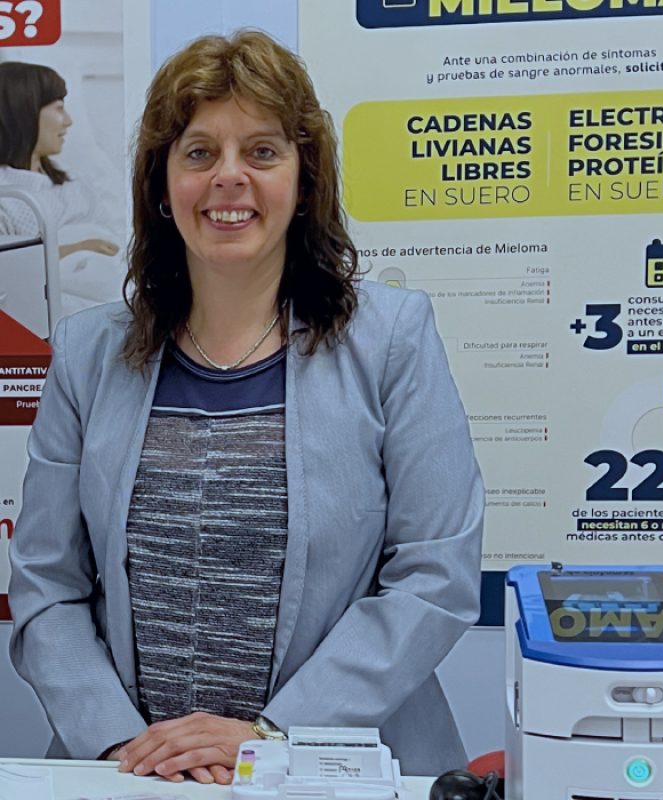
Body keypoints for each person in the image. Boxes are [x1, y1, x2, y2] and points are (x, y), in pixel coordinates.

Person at [8, 31, 484, 784]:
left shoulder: (393, 338)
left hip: (329, 769)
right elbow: (47, 584)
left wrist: (269, 739)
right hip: (131, 777)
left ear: (304, 180)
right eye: (199, 153)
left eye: (262, 151)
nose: (229, 177)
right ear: (162, 185)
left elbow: (435, 576)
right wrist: (124, 747)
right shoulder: (87, 354)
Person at [0, 60, 119, 257]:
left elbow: (111, 240)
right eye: (59, 108)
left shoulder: (75, 184)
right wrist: (75, 249)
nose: (68, 121)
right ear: (24, 112)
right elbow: (9, 266)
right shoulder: (7, 200)